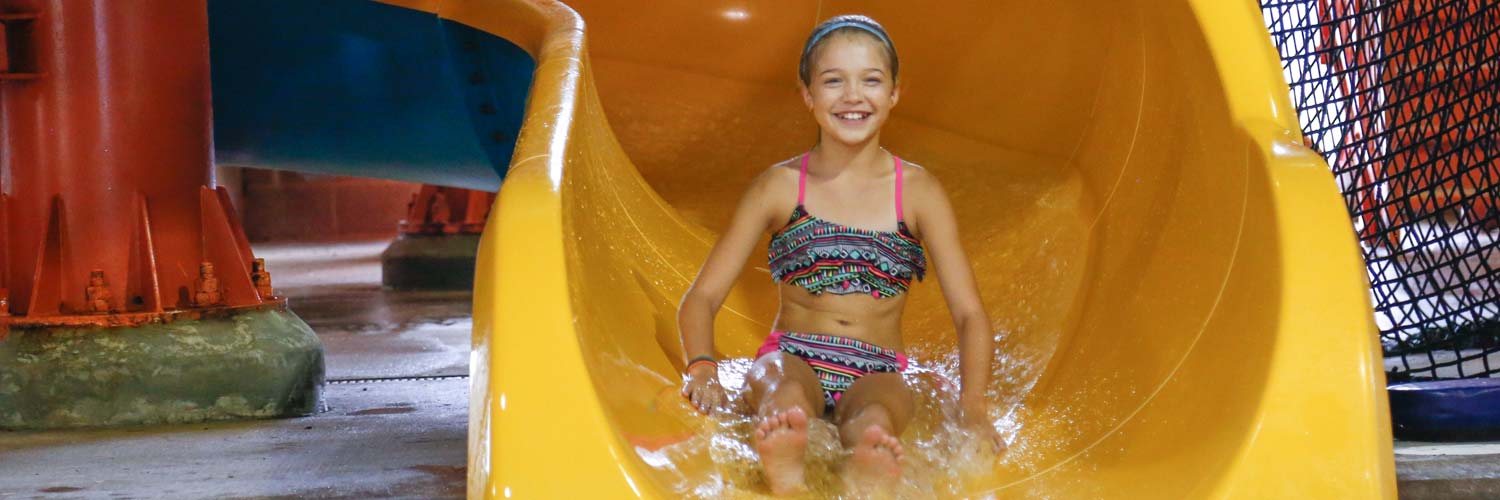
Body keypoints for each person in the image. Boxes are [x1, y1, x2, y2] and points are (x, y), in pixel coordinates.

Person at [677, 15, 999, 496]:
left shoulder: (918, 192)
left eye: (871, 80)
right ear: (808, 94)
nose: (853, 96)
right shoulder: (779, 187)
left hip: (880, 364)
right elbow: (701, 298)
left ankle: (864, 466)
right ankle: (786, 469)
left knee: (877, 417)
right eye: (833, 81)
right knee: (783, 395)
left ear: (894, 93)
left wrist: (972, 407)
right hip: (792, 354)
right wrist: (702, 368)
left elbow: (970, 314)